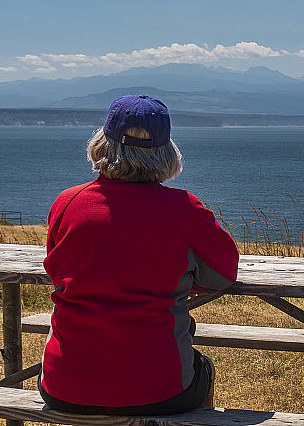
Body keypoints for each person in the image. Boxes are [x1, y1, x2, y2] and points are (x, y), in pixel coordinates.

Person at [39, 94, 239, 415]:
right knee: (204, 369)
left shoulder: (67, 203)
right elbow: (222, 276)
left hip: (64, 386)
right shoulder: (184, 209)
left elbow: (58, 269)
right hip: (159, 388)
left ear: (103, 144)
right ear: (166, 152)